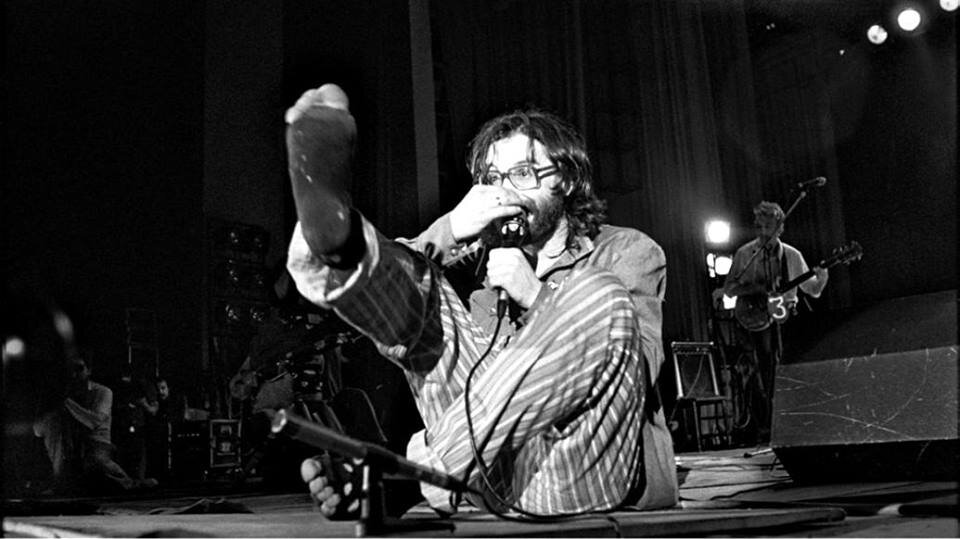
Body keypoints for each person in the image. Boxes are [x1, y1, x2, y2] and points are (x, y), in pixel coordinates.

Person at [286, 84, 678, 517]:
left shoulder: (627, 251)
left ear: (565, 180)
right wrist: (453, 227)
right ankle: (337, 242)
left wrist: (537, 297)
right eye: (493, 179)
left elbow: (638, 368)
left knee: (599, 292)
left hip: (578, 468)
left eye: (523, 174)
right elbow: (400, 285)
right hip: (490, 474)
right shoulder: (478, 262)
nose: (505, 192)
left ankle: (409, 478)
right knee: (424, 289)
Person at [722, 201, 828, 442]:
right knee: (763, 374)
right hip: (757, 321)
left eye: (767, 227)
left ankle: (793, 424)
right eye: (758, 227)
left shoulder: (791, 255)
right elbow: (729, 289)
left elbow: (812, 290)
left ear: (779, 228)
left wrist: (822, 277)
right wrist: (758, 288)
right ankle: (766, 426)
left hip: (786, 319)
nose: (762, 232)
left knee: (789, 369)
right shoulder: (745, 254)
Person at [33, 355, 151, 493]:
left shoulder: (102, 392)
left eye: (79, 369)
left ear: (89, 370)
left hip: (96, 445)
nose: (74, 374)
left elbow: (94, 421)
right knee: (53, 423)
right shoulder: (63, 393)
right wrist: (46, 407)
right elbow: (38, 430)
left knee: (96, 466)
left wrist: (66, 402)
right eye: (70, 370)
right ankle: (61, 480)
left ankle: (130, 483)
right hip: (70, 449)